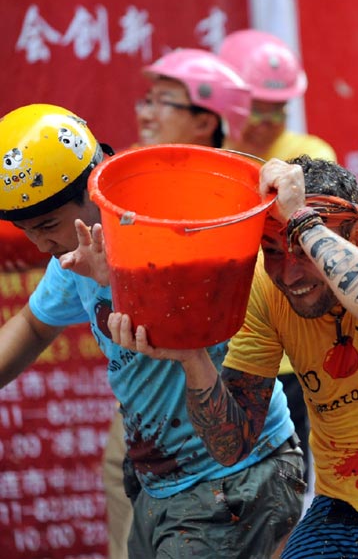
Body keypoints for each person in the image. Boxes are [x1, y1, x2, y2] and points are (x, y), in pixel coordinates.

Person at [108, 155, 358, 558]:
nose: (289, 275)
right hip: (339, 506)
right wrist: (194, 360)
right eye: (273, 251)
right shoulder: (265, 288)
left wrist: (302, 221)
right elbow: (232, 446)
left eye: (305, 251)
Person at [0, 103, 304, 558]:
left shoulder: (167, 219)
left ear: (94, 185)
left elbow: (180, 331)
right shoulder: (75, 253)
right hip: (161, 482)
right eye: (27, 231)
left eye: (47, 225)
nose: (42, 243)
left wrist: (112, 280)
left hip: (234, 478)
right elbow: (32, 325)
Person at [101, 46, 259, 559]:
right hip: (145, 421)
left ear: (206, 120)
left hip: (232, 403)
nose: (145, 113)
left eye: (161, 102)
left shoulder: (247, 198)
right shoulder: (119, 194)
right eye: (144, 100)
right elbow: (40, 319)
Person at [220, 28, 339, 487]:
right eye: (257, 106)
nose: (269, 120)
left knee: (283, 484)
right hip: (219, 345)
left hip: (287, 350)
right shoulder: (210, 155)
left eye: (279, 108)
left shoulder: (309, 156)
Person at [219, 28, 336, 163]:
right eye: (254, 111)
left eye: (276, 112)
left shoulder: (309, 155)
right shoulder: (206, 151)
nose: (262, 127)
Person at [136, 47, 251, 148]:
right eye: (149, 101)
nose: (144, 115)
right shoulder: (129, 164)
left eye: (164, 101)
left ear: (204, 124)